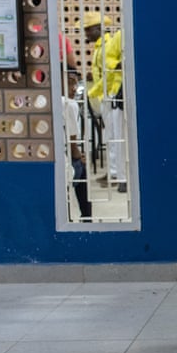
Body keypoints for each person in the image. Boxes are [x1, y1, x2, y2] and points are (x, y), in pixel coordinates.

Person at [81, 11, 127, 193]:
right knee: (111, 137)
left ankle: (121, 176)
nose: (86, 34)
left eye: (88, 29)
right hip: (106, 95)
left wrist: (93, 91)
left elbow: (110, 73)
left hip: (113, 94)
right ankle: (114, 173)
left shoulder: (109, 44)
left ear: (98, 29)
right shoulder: (100, 47)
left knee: (117, 137)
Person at [61, 69, 92, 221]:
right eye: (69, 83)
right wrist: (80, 156)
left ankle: (66, 218)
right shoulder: (69, 104)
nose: (74, 88)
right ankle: (87, 217)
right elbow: (72, 142)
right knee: (82, 169)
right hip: (66, 161)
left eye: (75, 84)